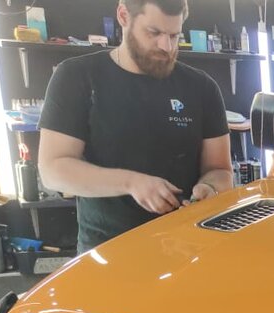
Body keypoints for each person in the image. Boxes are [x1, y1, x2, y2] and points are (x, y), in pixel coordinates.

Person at [38, 0, 232, 254]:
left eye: (174, 35)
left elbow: (220, 170)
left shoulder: (201, 87)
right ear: (123, 15)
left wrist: (210, 188)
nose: (166, 46)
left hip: (186, 249)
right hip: (108, 254)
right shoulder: (77, 77)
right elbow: (53, 169)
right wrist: (131, 183)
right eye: (154, 33)